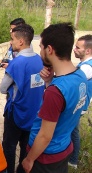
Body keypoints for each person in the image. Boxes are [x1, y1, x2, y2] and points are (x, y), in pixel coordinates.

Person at [22, 23, 88, 173]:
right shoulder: (81, 76)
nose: (40, 52)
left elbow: (45, 135)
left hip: (45, 157)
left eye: (41, 47)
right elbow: (69, 108)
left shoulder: (55, 92)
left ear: (49, 49)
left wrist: (29, 159)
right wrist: (49, 81)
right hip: (64, 148)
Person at [0, 24, 44, 173]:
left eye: (12, 39)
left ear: (20, 42)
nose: (10, 42)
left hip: (16, 113)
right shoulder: (39, 59)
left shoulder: (16, 63)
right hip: (34, 112)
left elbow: (2, 89)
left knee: (9, 146)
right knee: (26, 146)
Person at [69, 34, 92, 169]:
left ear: (87, 50)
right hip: (80, 104)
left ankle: (72, 161)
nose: (74, 49)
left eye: (78, 47)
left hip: (79, 106)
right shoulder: (85, 64)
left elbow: (72, 82)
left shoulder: (87, 68)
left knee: (73, 133)